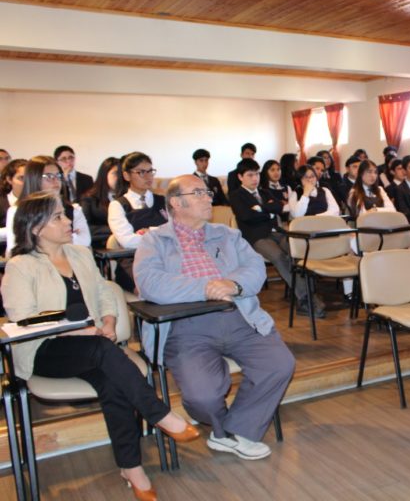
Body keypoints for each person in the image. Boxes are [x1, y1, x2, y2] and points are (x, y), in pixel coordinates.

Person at [2, 191, 199, 501]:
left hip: (93, 344)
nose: (68, 221)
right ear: (37, 227)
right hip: (45, 350)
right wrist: (81, 331)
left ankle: (131, 468)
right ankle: (160, 415)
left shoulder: (79, 254)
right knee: (104, 352)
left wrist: (107, 322)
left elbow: (105, 292)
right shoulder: (21, 266)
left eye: (65, 215)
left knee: (112, 381)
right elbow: (25, 318)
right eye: (58, 217)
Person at [134, 174, 295, 461]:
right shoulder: (154, 241)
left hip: (238, 316)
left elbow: (256, 268)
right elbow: (151, 284)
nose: (209, 197)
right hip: (186, 326)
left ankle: (231, 433)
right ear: (175, 203)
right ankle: (228, 429)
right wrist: (206, 288)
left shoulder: (228, 234)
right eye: (198, 193)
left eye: (207, 192)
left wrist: (232, 285)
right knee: (203, 396)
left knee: (280, 364)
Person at [230, 160, 324, 317]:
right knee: (279, 256)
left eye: (257, 174)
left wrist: (261, 209)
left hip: (277, 232)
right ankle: (306, 298)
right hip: (256, 237)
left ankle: (308, 292)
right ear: (240, 177)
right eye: (250, 175)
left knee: (297, 251)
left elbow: (280, 208)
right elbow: (247, 217)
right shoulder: (236, 195)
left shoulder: (265, 192)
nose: (255, 178)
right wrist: (268, 211)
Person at [5, 156, 91, 256]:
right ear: (34, 179)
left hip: (69, 260)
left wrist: (47, 239)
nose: (56, 181)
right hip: (34, 265)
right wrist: (71, 236)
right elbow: (14, 248)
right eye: (48, 177)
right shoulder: (16, 211)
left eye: (58, 176)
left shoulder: (74, 209)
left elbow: (85, 240)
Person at [107, 152, 167, 292]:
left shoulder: (163, 201)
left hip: (165, 256)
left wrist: (150, 232)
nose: (148, 176)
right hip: (133, 261)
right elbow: (127, 241)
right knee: (155, 290)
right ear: (127, 175)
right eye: (141, 172)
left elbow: (176, 231)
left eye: (150, 171)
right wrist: (160, 233)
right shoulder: (118, 205)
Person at [81, 157, 120, 249]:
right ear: (104, 175)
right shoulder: (89, 199)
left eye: (121, 174)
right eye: (115, 173)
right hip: (101, 245)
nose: (119, 178)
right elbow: (85, 227)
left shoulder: (126, 197)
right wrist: (118, 229)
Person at [1, 159, 27, 254]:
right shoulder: (2, 201)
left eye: (29, 178)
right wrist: (10, 229)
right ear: (9, 179)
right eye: (21, 178)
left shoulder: (39, 202)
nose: (26, 182)